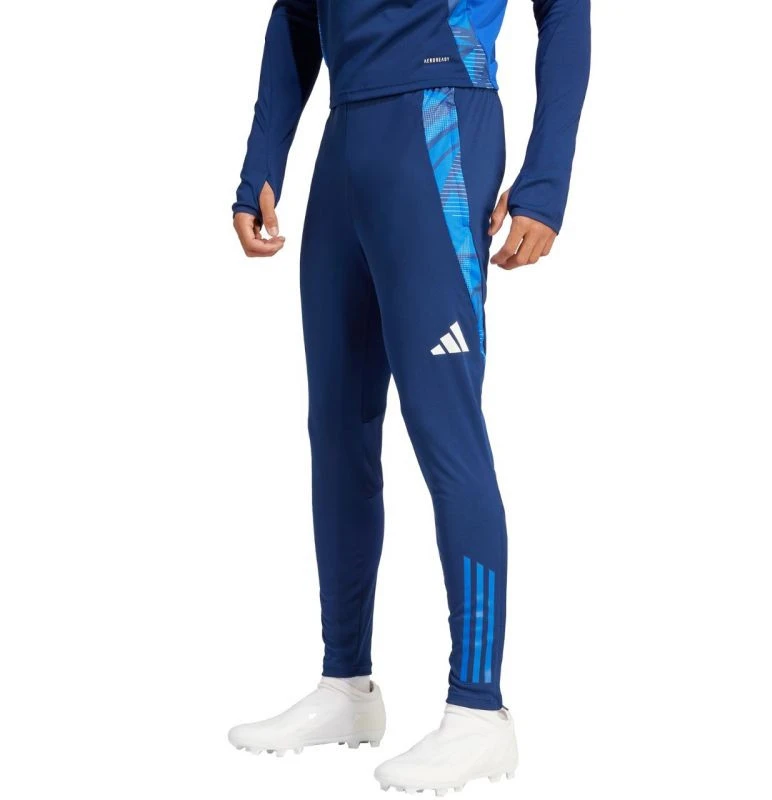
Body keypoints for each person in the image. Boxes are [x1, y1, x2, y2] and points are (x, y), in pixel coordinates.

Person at [228, 0, 590, 792]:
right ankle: (345, 684)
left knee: (444, 427)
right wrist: (263, 160)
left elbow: (566, 10)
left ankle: (479, 712)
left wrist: (545, 182)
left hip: (440, 124)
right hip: (346, 144)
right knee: (338, 429)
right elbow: (297, 17)